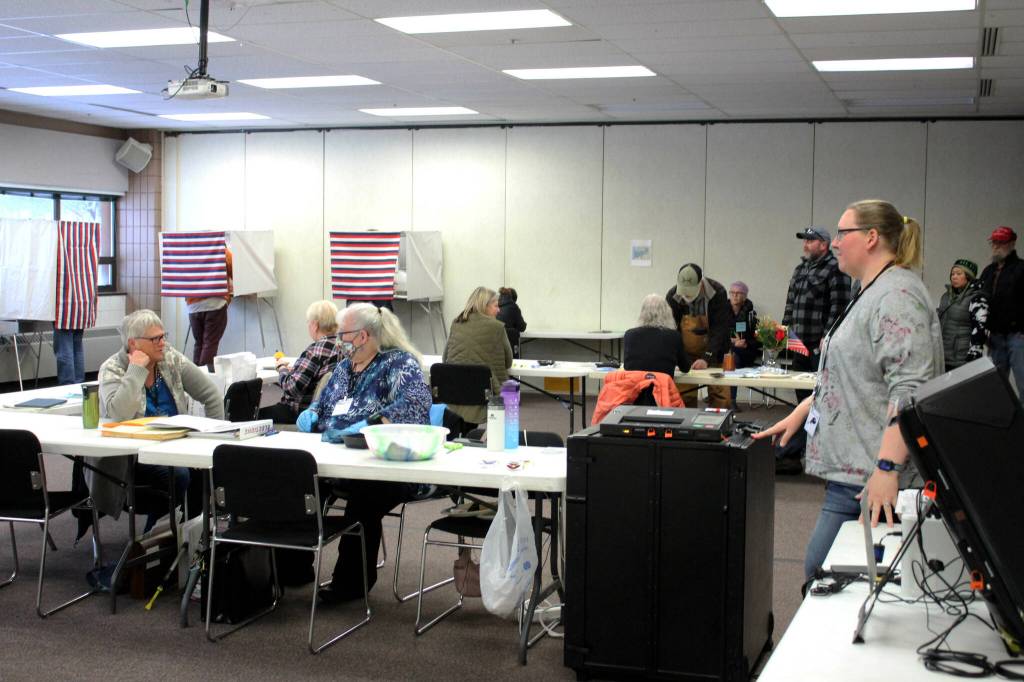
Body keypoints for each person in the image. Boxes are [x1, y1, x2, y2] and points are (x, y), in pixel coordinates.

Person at [754, 200, 943, 580]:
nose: (835, 242)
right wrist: (801, 411)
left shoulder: (895, 297)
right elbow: (854, 372)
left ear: (871, 238)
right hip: (854, 473)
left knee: (831, 577)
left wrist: (887, 470)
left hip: (874, 478)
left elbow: (909, 390)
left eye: (843, 233)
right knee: (828, 576)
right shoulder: (869, 291)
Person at [296, 303, 431, 602]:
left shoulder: (399, 364)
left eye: (344, 335)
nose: (339, 341)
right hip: (337, 457)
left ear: (363, 336)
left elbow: (415, 405)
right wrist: (311, 412)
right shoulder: (345, 367)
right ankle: (293, 568)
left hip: (388, 465)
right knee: (300, 483)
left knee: (364, 497)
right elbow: (325, 403)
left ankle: (350, 584)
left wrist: (367, 425)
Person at [92, 309, 223, 530]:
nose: (163, 343)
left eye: (164, 336)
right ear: (134, 344)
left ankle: (185, 540)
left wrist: (215, 441)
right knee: (179, 474)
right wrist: (136, 370)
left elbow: (211, 394)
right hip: (131, 457)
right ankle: (153, 543)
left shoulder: (169, 359)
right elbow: (118, 414)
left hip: (175, 447)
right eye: (156, 339)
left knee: (205, 470)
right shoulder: (113, 369)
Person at [782, 227, 853, 400]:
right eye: (804, 240)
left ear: (823, 245)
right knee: (801, 392)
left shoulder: (835, 268)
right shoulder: (800, 269)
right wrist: (784, 331)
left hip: (819, 343)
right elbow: (790, 302)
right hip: (797, 341)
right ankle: (802, 427)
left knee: (822, 394)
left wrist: (828, 335)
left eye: (810, 241)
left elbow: (840, 305)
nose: (805, 244)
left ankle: (820, 428)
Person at [257, 300, 341, 424]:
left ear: (315, 325)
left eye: (308, 323)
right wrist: (296, 371)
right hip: (327, 410)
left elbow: (292, 388)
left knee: (253, 415)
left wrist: (282, 369)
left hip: (299, 412)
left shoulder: (316, 350)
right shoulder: (341, 347)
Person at [443, 287, 513, 426]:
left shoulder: (456, 323)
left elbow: (445, 358)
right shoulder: (497, 327)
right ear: (484, 306)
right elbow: (508, 361)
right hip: (484, 395)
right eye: (496, 306)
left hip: (454, 394)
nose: (499, 310)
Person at [665, 263, 731, 408]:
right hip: (685, 351)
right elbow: (671, 330)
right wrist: (678, 357)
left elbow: (720, 329)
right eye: (684, 292)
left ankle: (719, 428)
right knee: (683, 396)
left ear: (700, 283)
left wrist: (707, 357)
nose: (687, 296)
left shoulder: (717, 292)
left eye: (690, 291)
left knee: (720, 396)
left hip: (715, 350)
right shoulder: (672, 296)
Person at [979, 226, 1024, 392]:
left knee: (1023, 383)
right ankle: (999, 418)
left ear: (1012, 243)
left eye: (1001, 242)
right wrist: (982, 330)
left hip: (1017, 335)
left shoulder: (1021, 269)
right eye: (994, 242)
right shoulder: (988, 272)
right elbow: (980, 302)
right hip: (995, 337)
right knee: (995, 386)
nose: (996, 245)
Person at [937, 259, 989, 370]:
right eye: (952, 274)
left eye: (959, 274)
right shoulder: (945, 297)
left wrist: (974, 353)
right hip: (943, 357)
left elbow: (980, 328)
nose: (954, 277)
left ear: (968, 277)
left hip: (962, 359)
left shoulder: (977, 298)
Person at [187, 247, 233, 370]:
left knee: (199, 343)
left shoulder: (189, 251)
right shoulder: (220, 250)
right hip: (215, 303)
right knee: (210, 343)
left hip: (193, 305)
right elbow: (235, 270)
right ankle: (204, 380)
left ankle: (195, 378)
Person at [623, 294, 689, 377]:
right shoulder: (674, 336)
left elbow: (627, 366)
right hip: (662, 388)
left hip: (636, 388)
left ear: (642, 313)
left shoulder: (629, 335)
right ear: (667, 313)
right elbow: (685, 368)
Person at [725, 282, 761, 408]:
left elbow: (759, 340)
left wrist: (745, 344)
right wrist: (732, 341)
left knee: (733, 358)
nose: (734, 296)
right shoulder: (721, 313)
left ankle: (731, 400)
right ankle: (720, 395)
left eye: (738, 293)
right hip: (726, 349)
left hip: (745, 352)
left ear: (745, 297)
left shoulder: (751, 316)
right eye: (732, 293)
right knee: (729, 355)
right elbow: (715, 335)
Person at [496, 287, 527, 358]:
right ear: (514, 299)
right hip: (510, 342)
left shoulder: (495, 305)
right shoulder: (513, 307)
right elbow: (522, 327)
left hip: (496, 343)